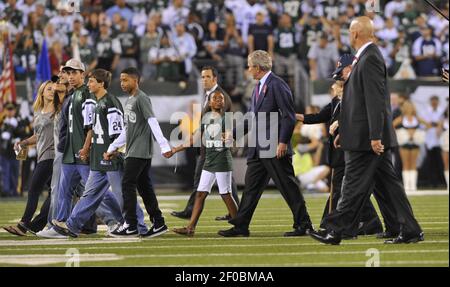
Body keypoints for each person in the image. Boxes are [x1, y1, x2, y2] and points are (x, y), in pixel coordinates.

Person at [309, 16, 423, 245]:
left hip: (367, 138)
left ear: (355, 34)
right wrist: (345, 130)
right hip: (361, 135)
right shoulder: (366, 57)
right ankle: (408, 229)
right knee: (388, 185)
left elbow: (375, 101)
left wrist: (374, 136)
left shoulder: (369, 58)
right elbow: (357, 102)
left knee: (351, 185)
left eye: (349, 32)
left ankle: (334, 230)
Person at [218, 50, 313, 237]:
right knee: (251, 188)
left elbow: (288, 116)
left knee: (288, 187)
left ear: (258, 68)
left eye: (249, 66)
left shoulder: (277, 85)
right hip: (258, 148)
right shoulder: (259, 86)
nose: (247, 69)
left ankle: (304, 224)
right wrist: (233, 134)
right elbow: (251, 118)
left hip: (274, 147)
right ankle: (241, 226)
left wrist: (283, 142)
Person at [52, 69, 148, 238]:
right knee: (89, 194)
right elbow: (94, 131)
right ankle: (72, 226)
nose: (88, 84)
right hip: (97, 158)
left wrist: (113, 151)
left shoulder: (110, 102)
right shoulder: (96, 102)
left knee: (121, 194)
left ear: (101, 84)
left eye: (91, 81)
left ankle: (139, 225)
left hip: (111, 158)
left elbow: (118, 133)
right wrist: (88, 148)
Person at [297, 54, 385, 238]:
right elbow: (319, 116)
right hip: (339, 152)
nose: (332, 86)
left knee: (339, 190)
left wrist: (341, 125)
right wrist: (297, 116)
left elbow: (358, 119)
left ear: (343, 85)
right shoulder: (336, 102)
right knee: (351, 191)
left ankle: (329, 225)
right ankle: (373, 223)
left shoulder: (354, 100)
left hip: (348, 151)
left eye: (336, 83)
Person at [105, 67, 172, 238]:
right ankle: (158, 223)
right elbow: (127, 130)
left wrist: (164, 145)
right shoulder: (129, 101)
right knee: (144, 188)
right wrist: (113, 147)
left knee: (127, 184)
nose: (122, 83)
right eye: (121, 80)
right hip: (132, 150)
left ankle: (131, 224)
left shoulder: (142, 98)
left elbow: (152, 122)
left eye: (126, 80)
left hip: (139, 151)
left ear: (136, 81)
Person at [170, 66, 240, 221]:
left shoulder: (220, 97)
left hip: (215, 150)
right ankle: (235, 213)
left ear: (215, 78)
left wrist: (227, 139)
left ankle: (236, 216)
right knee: (221, 185)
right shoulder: (209, 96)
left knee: (214, 185)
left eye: (207, 77)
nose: (204, 80)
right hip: (208, 147)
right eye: (202, 77)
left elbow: (228, 125)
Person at [3, 80, 57, 236]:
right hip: (42, 155)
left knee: (33, 189)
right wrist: (25, 142)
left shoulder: (58, 111)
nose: (52, 91)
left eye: (53, 89)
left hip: (51, 156)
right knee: (53, 194)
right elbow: (38, 135)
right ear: (41, 92)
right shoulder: (39, 112)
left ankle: (24, 224)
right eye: (48, 89)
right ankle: (35, 226)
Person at [393, 100, 429, 191]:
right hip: (405, 143)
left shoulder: (417, 118)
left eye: (411, 106)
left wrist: (419, 132)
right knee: (405, 163)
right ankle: (406, 186)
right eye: (407, 106)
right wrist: (402, 132)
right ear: (404, 108)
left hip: (415, 143)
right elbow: (391, 125)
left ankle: (413, 186)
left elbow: (428, 125)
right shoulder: (401, 118)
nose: (409, 108)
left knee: (413, 163)